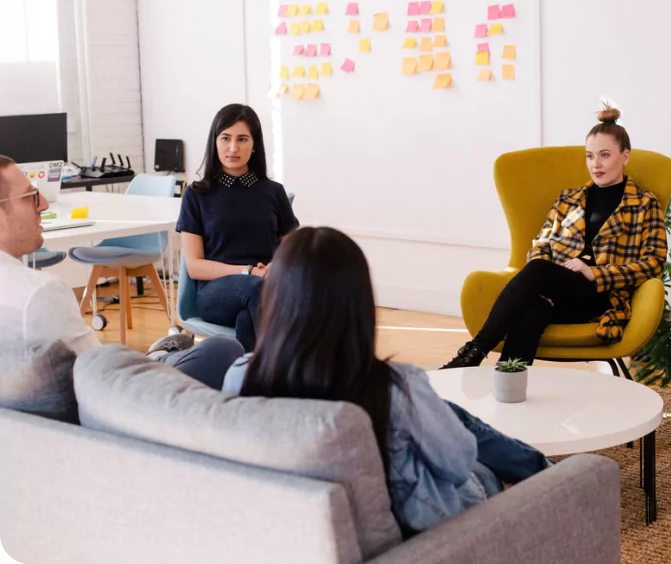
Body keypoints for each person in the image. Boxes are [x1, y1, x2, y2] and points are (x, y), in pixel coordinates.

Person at [202, 226, 551, 535]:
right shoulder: (394, 386)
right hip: (424, 531)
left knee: (442, 413)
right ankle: (549, 475)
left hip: (301, 529)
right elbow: (458, 463)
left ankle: (530, 462)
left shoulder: (241, 376)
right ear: (359, 303)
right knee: (476, 461)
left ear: (276, 300)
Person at [440, 106, 668, 369]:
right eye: (590, 156)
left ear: (625, 156)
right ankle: (508, 384)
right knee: (534, 309)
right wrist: (554, 274)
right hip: (556, 289)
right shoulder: (569, 199)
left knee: (538, 272)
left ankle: (474, 351)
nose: (596, 164)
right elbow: (541, 245)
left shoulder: (643, 204)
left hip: (600, 296)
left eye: (605, 155)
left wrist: (596, 273)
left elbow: (654, 262)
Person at [0, 155, 244, 390]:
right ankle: (157, 358)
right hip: (125, 398)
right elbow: (102, 376)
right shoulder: (38, 294)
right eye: (30, 195)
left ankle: (156, 356)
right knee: (223, 349)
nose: (43, 203)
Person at [177, 104, 299, 352]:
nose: (233, 148)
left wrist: (277, 266)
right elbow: (195, 266)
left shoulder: (273, 192)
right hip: (214, 294)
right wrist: (249, 271)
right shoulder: (196, 194)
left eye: (242, 139)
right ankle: (293, 370)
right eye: (226, 138)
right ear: (215, 142)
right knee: (258, 289)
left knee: (248, 319)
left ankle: (250, 383)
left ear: (254, 145)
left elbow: (297, 250)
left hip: (263, 290)